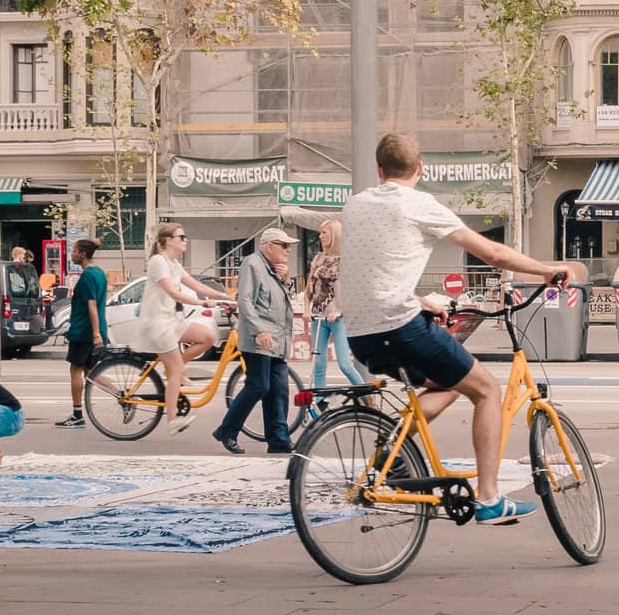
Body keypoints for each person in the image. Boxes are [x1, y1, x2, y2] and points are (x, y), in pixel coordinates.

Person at [341, 133, 571, 523]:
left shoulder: (355, 204)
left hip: (360, 334)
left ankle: (391, 454)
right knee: (486, 390)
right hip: (401, 326)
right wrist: (547, 271)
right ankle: (489, 499)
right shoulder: (419, 204)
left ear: (378, 170)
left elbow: (376, 268)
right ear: (420, 169)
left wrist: (419, 300)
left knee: (444, 382)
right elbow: (493, 253)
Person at [214, 226, 297, 454]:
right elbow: (246, 301)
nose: (288, 251)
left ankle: (279, 439)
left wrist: (287, 280)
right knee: (258, 386)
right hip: (260, 339)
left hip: (278, 340)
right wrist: (260, 330)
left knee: (278, 390)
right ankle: (227, 430)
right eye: (284, 246)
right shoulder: (253, 264)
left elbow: (283, 301)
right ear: (269, 246)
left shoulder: (273, 269)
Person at [136, 222, 223, 410]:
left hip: (172, 321)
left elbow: (197, 285)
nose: (186, 240)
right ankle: (173, 418)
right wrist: (202, 302)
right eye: (181, 237)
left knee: (208, 337)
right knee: (176, 371)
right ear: (168, 241)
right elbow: (173, 293)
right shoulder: (158, 261)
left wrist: (226, 296)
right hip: (158, 324)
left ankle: (176, 367)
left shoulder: (174, 264)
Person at [307, 219, 366, 394]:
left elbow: (356, 293)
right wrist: (305, 309)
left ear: (335, 234)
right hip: (318, 318)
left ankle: (366, 395)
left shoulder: (347, 260)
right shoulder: (318, 259)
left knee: (345, 364)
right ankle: (320, 403)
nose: (320, 236)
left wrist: (340, 311)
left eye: (324, 232)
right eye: (320, 232)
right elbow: (309, 287)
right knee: (318, 364)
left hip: (339, 319)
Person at [57, 238, 108, 428]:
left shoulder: (87, 276)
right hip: (94, 329)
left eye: (75, 251)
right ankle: (123, 395)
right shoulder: (100, 273)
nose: (72, 254)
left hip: (84, 331)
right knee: (92, 372)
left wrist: (95, 334)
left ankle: (77, 415)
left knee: (75, 370)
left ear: (83, 254)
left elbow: (92, 304)